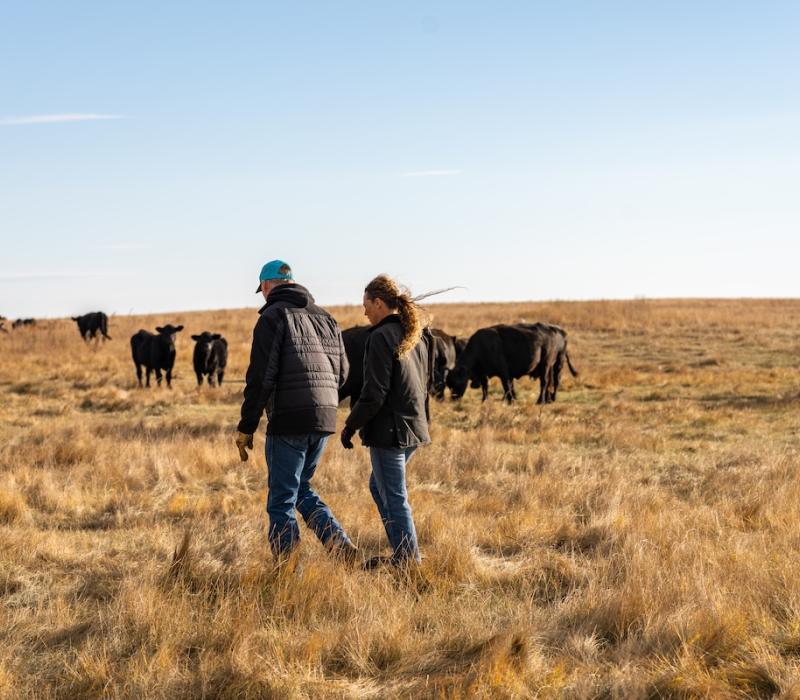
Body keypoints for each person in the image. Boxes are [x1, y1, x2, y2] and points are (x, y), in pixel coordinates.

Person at [236, 260, 357, 564]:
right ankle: (339, 546)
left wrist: (247, 426)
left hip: (289, 420)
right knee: (301, 487)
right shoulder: (326, 317)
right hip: (325, 417)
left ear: (266, 286)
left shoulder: (272, 316)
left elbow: (260, 377)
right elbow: (343, 374)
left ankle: (289, 571)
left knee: (281, 500)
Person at [340, 274, 434, 568]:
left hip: (389, 431)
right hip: (414, 429)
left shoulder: (380, 337)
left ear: (378, 303)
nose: (364, 311)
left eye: (366, 304)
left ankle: (409, 562)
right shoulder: (416, 334)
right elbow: (424, 386)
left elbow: (374, 392)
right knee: (379, 487)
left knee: (393, 496)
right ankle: (402, 554)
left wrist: (350, 425)